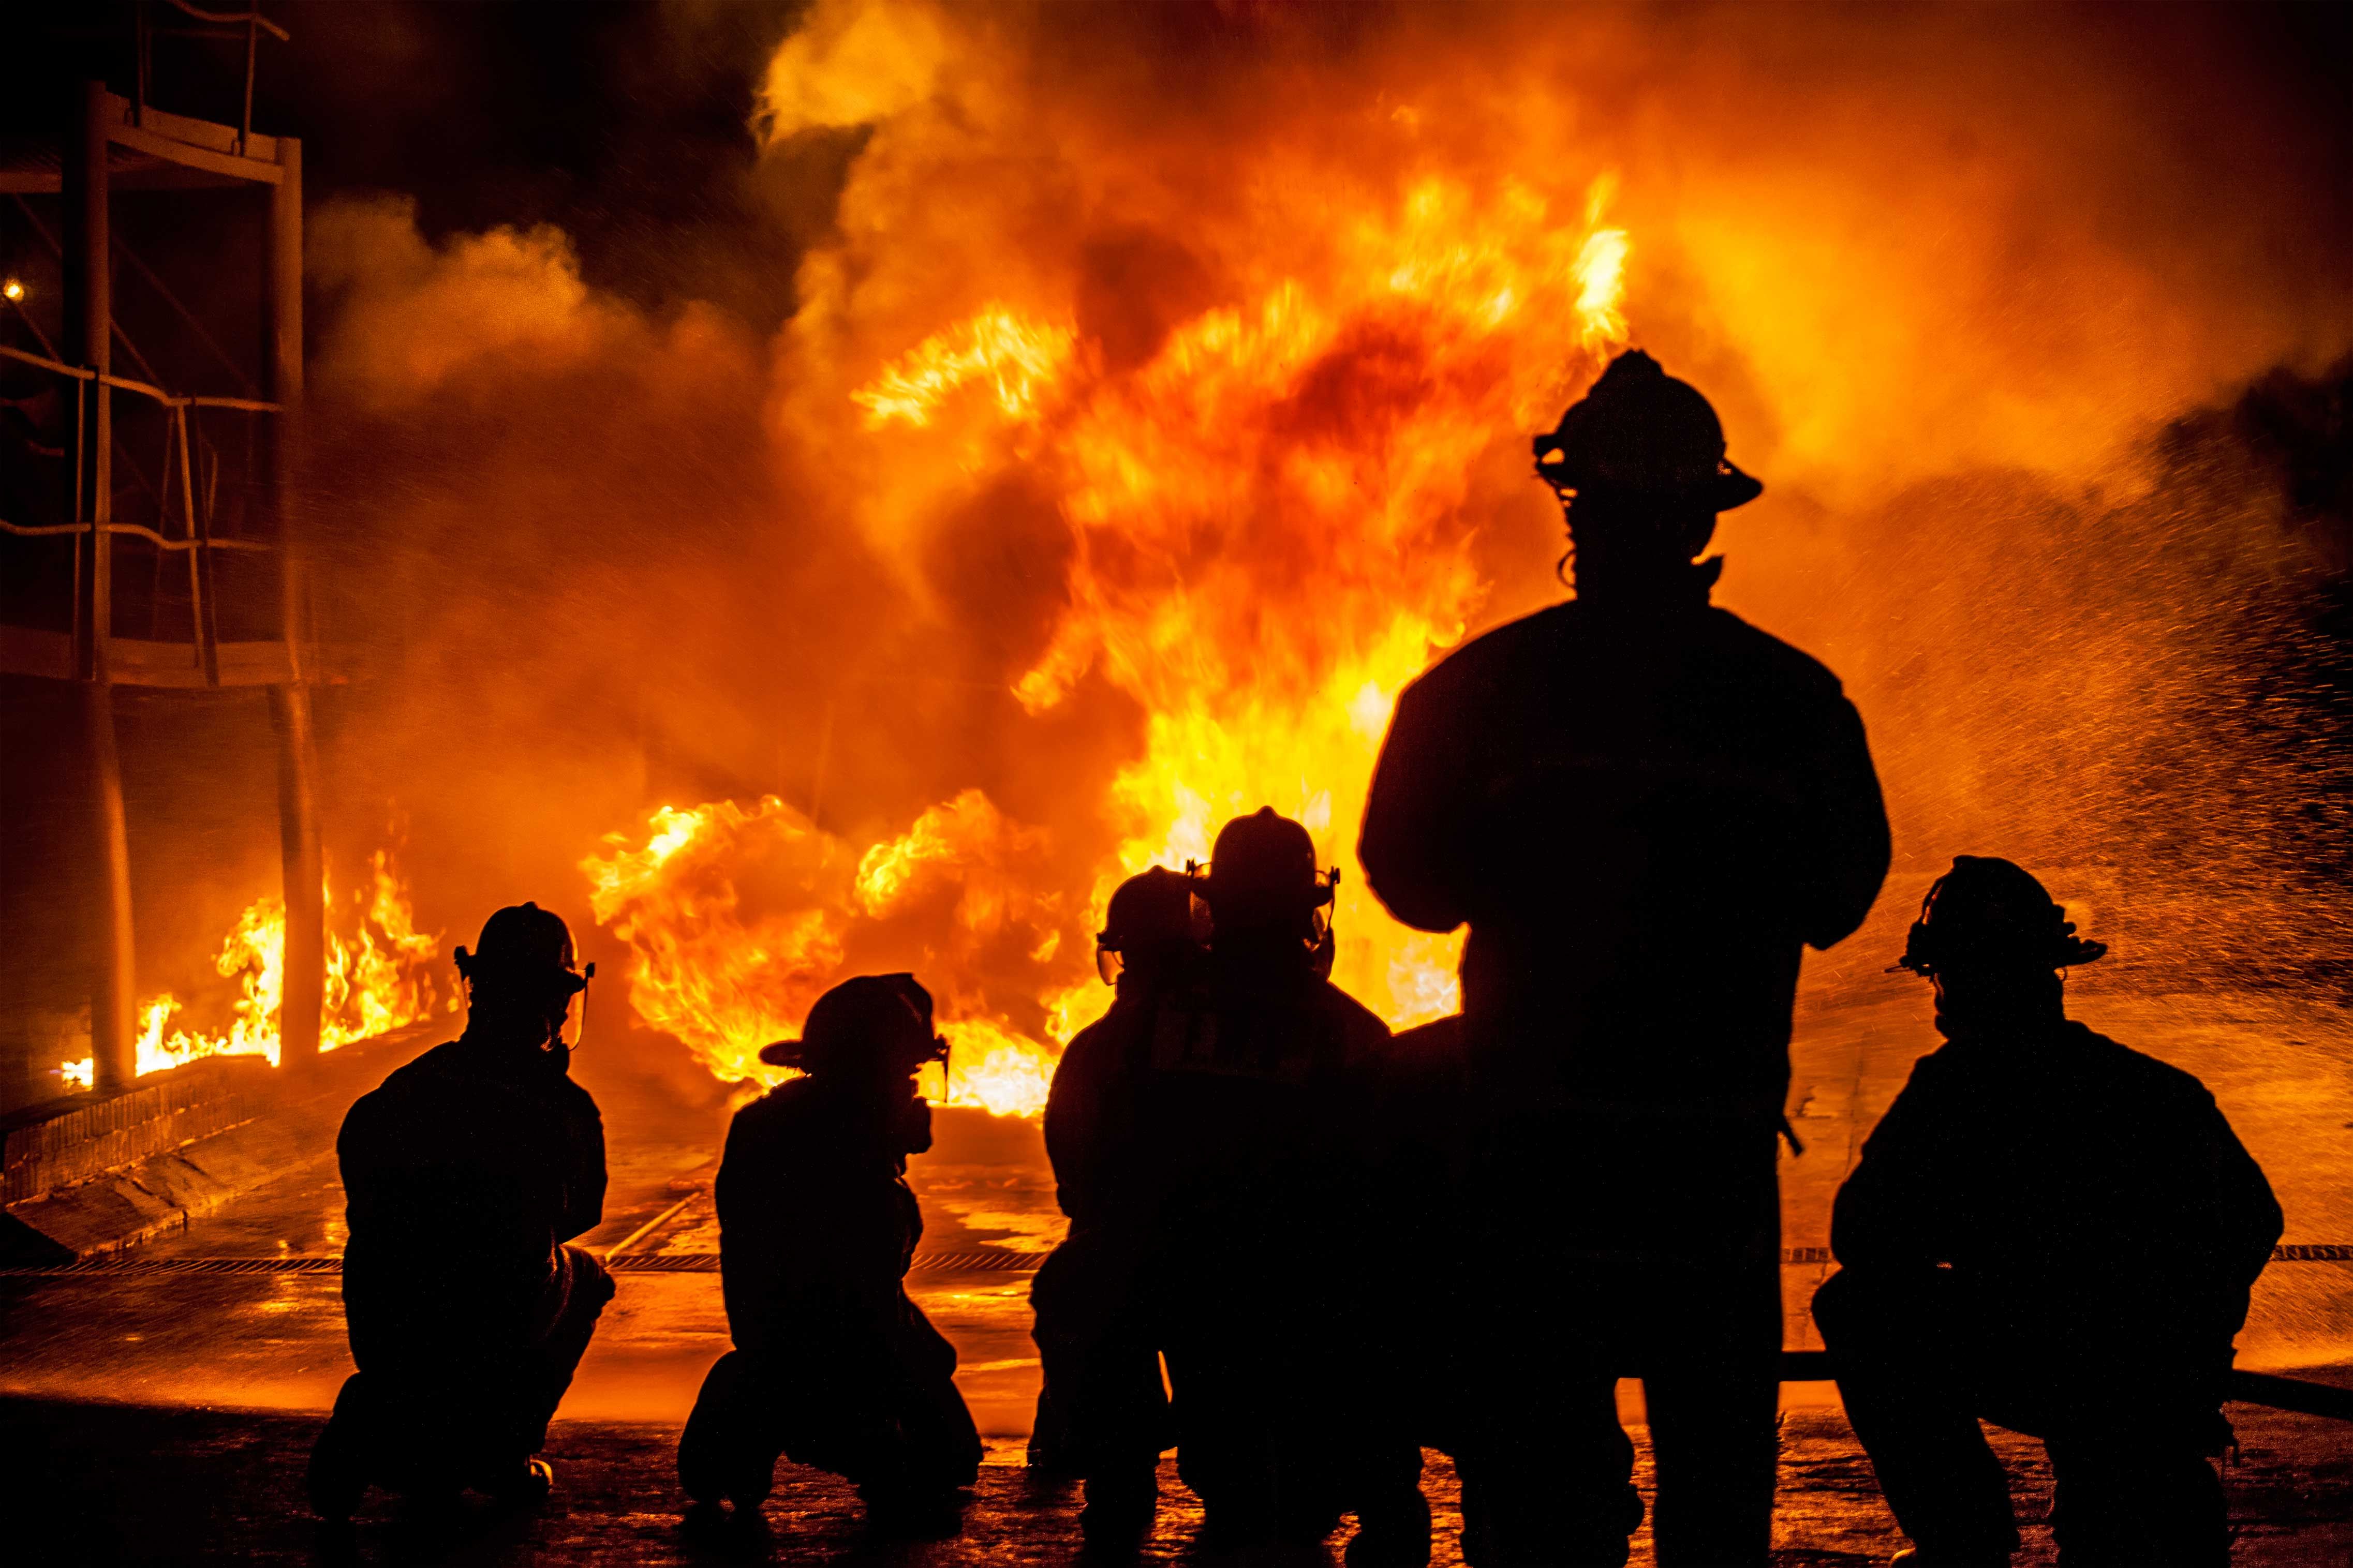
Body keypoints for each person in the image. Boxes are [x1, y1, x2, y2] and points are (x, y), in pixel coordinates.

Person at [1359, 348, 1891, 1566]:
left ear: (1573, 505)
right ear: (1708, 514)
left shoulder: (1477, 691)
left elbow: (1412, 889)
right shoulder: (1791, 701)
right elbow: (1838, 896)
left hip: (1531, 1165)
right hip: (1706, 1167)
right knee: (1713, 1496)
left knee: (1538, 1501)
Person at [1813, 856, 2281, 1567]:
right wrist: (2191, 1340)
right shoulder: (2158, 1089)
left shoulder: (1953, 1088)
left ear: (1957, 976)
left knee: (1857, 1306)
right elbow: (2255, 1217)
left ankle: (1962, 1539)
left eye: (1941, 973)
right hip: (2155, 1383)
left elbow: (1861, 1238)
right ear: (2051, 967)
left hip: (2053, 1361)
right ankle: (2127, 1482)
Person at [1045, 810, 1427, 1561]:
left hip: (1183, 1301)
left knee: (1078, 1275)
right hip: (1316, 1315)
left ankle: (1118, 1481)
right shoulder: (1353, 1035)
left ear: (1210, 906)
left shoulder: (1127, 1033)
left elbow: (1078, 1177)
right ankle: (1385, 1492)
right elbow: (1403, 1201)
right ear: (1310, 911)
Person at [307, 902, 613, 1519]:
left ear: (475, 989)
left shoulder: (400, 1090)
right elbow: (579, 1215)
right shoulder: (560, 1105)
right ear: (557, 1003)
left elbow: (361, 1198)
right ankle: (508, 1449)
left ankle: (379, 1417)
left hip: (384, 1325)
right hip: (487, 1326)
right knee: (589, 1277)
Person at [676, 973, 981, 1532]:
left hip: (769, 1339)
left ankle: (742, 1408)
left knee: (934, 1425)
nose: (915, 1089)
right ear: (870, 1076)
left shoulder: (767, 1126)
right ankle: (805, 1424)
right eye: (907, 1073)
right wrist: (927, 1364)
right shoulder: (861, 1175)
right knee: (945, 1465)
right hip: (832, 1362)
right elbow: (864, 1313)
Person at [1028, 867, 1203, 1511]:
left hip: (1108, 1270)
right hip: (1220, 1278)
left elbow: (1072, 1182)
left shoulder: (1094, 1050)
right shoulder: (1232, 1042)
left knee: (1115, 1469)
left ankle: (1096, 1450)